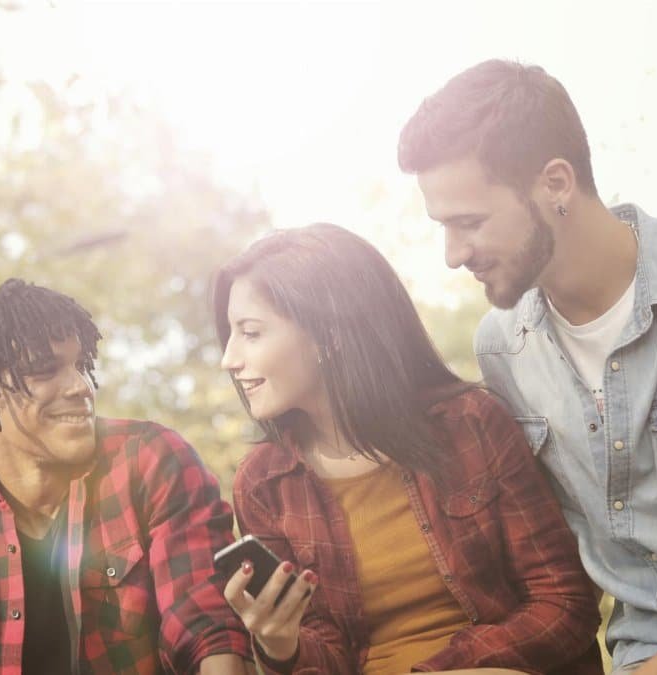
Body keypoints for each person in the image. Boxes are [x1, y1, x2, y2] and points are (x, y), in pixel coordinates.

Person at [399, 58, 657, 675]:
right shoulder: (503, 349)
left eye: (469, 222)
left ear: (555, 183)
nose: (452, 255)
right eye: (442, 228)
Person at [213, 223, 601, 675]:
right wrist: (283, 647)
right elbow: (327, 657)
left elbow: (565, 604)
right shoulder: (264, 482)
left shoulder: (470, 425)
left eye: (252, 333)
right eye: (231, 334)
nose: (229, 359)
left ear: (330, 333)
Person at [0, 278, 253, 674]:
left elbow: (208, 627)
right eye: (45, 371)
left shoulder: (150, 460)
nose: (81, 386)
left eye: (79, 365)